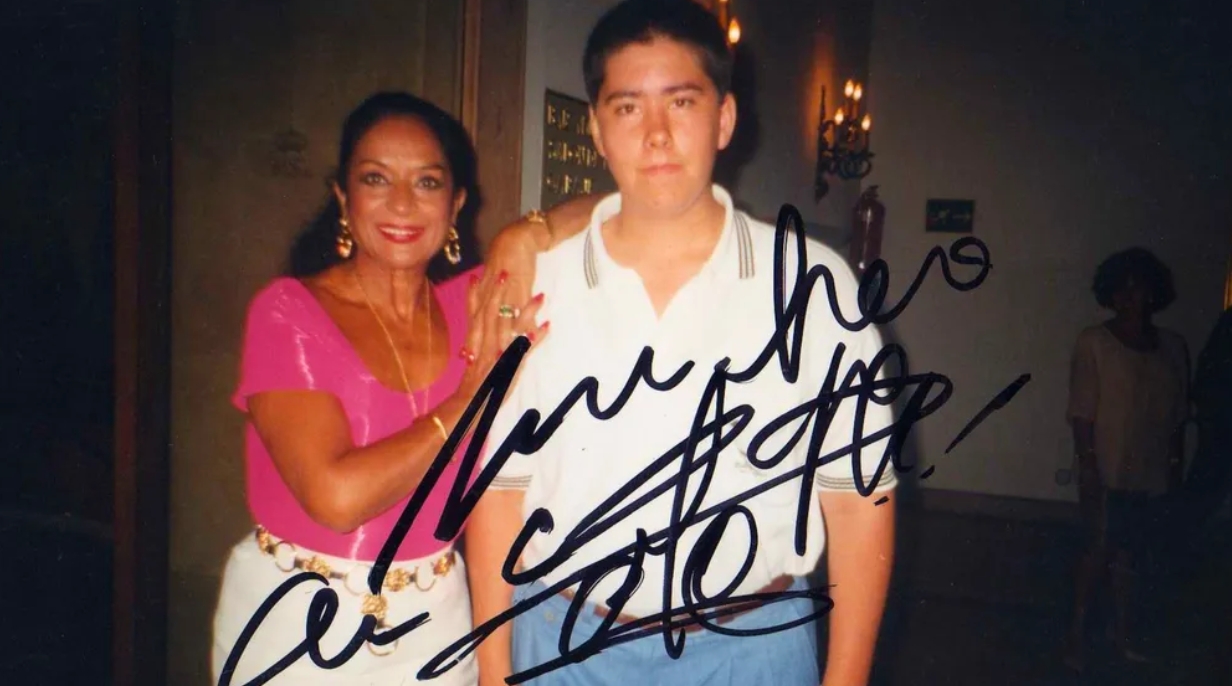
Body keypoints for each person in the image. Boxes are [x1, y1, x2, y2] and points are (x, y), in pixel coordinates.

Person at [466, 2, 898, 685]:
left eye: (682, 102)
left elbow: (857, 499)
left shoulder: (813, 285)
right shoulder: (537, 286)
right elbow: (499, 491)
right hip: (565, 646)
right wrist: (494, 675)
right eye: (628, 108)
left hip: (752, 650)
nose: (657, 135)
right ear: (597, 129)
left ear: (724, 118)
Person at [210, 91, 596, 685]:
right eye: (375, 178)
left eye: (426, 182)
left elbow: (623, 207)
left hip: (436, 617)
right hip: (296, 620)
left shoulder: (476, 305)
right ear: (343, 196)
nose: (401, 203)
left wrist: (524, 234)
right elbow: (336, 499)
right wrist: (472, 398)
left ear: (455, 202)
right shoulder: (289, 312)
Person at [1063, 247, 1189, 671]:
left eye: (1137, 288)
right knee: (1097, 550)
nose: (1129, 297)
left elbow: (1176, 418)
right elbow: (1082, 411)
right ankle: (1075, 637)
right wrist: (1089, 468)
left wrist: (1174, 470)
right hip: (1106, 467)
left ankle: (1121, 635)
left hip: (1150, 473)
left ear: (1153, 293)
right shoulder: (1095, 342)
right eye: (1121, 289)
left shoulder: (1173, 347)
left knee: (1130, 557)